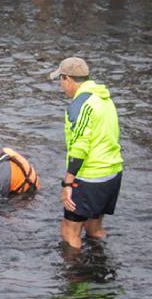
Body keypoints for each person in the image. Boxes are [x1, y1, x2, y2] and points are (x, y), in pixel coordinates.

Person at [49, 56, 123, 250]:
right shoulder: (104, 98)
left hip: (89, 177)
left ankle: (77, 280)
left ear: (67, 78)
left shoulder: (80, 105)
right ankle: (100, 268)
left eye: (61, 80)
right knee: (94, 228)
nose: (61, 85)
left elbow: (80, 146)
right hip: (112, 172)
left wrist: (67, 183)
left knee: (69, 231)